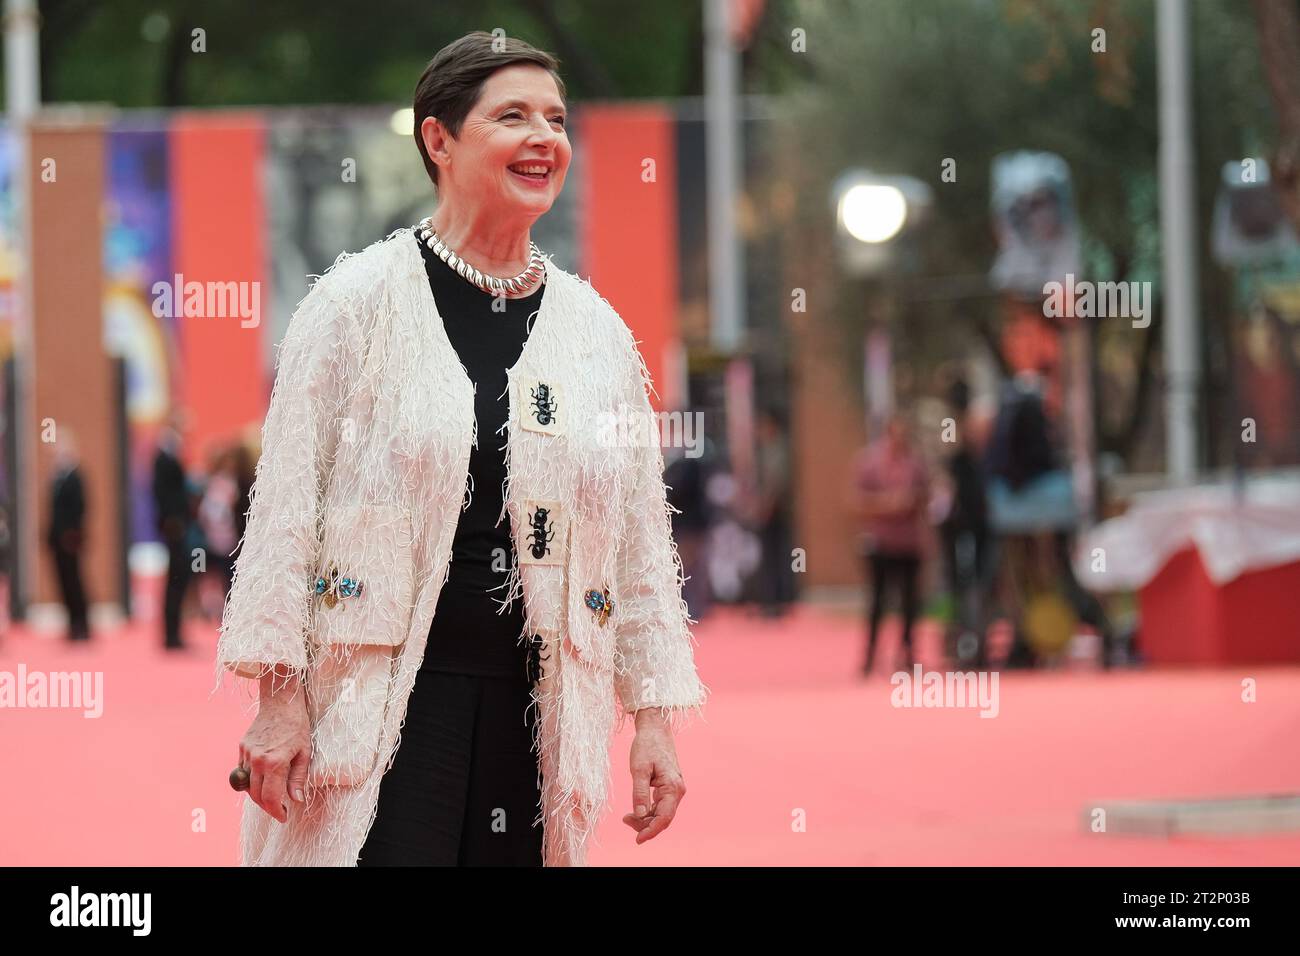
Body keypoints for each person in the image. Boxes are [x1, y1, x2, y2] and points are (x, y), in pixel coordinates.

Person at [214, 32, 708, 867]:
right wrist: (277, 699)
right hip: (378, 706)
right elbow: (285, 515)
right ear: (438, 139)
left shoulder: (598, 336)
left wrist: (654, 720)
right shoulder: (352, 308)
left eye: (556, 119)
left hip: (542, 708)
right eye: (511, 116)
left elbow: (637, 547)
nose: (544, 138)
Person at [851, 412, 929, 675]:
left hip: (908, 542)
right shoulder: (870, 463)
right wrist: (886, 503)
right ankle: (870, 656)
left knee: (909, 602)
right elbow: (856, 500)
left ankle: (907, 654)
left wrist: (910, 501)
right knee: (878, 602)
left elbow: (926, 496)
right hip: (881, 541)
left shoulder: (915, 464)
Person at [153, 413, 193, 650]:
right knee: (176, 579)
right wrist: (173, 521)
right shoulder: (165, 457)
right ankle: (171, 634)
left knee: (178, 578)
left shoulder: (169, 455)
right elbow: (165, 494)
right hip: (174, 526)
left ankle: (174, 632)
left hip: (176, 524)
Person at [47, 432, 89, 642]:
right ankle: (72, 623)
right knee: (63, 582)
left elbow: (79, 508)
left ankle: (82, 623)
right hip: (57, 540)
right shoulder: (57, 477)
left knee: (75, 582)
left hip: (70, 540)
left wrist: (72, 533)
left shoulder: (75, 477)